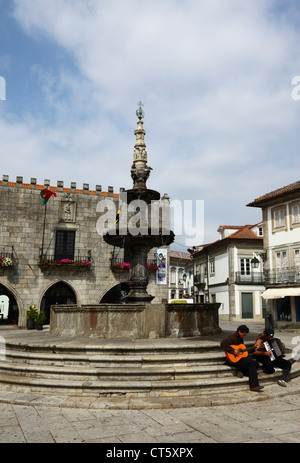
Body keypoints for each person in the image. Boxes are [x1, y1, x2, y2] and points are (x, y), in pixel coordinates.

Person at [220, 325, 263, 392]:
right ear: (239, 331)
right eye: (244, 334)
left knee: (256, 364)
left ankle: (242, 372)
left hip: (239, 358)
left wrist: (254, 349)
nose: (244, 336)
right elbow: (223, 343)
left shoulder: (240, 338)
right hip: (233, 360)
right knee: (252, 364)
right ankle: (254, 386)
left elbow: (244, 351)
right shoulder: (232, 337)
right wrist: (233, 351)